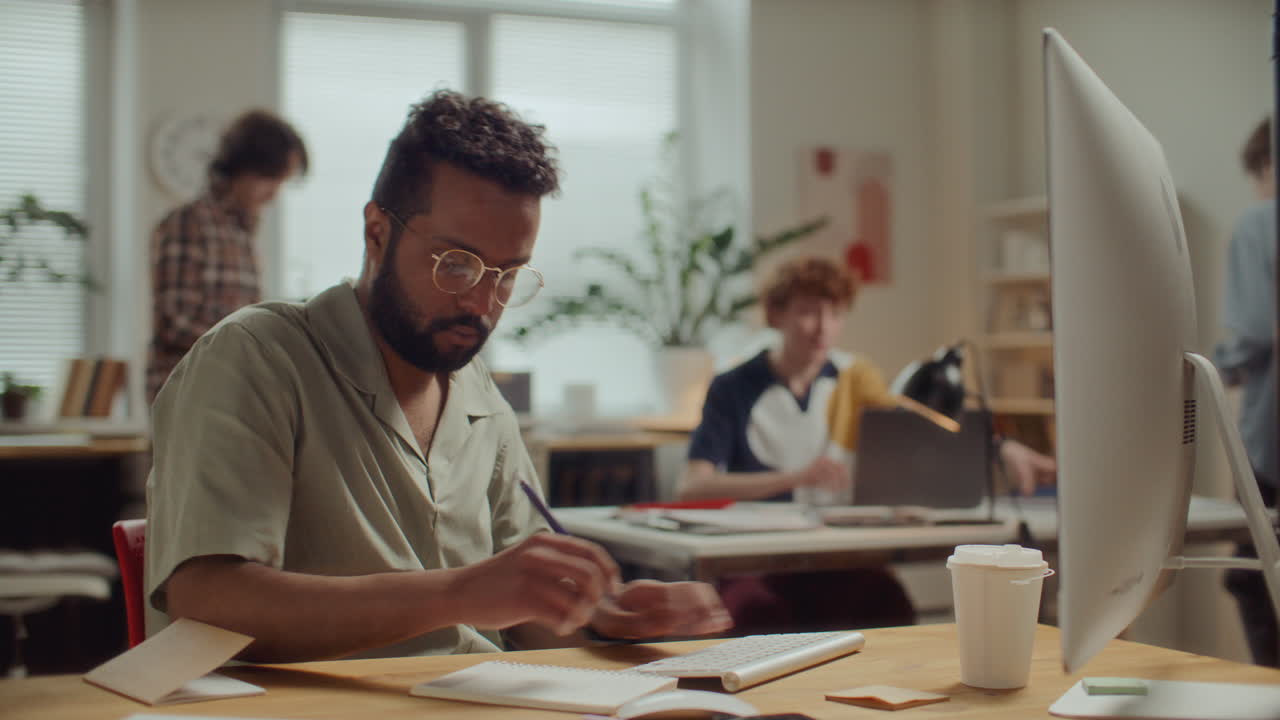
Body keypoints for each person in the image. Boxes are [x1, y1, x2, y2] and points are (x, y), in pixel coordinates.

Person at [145, 90, 730, 663]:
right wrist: (456, 594)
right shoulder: (256, 359)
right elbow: (207, 605)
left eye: (507, 275)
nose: (481, 304)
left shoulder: (481, 401)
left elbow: (530, 616)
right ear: (377, 232)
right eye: (456, 263)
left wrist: (610, 618)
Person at [678, 255, 1057, 634]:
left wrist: (1001, 447)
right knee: (757, 613)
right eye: (808, 313)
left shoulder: (855, 376)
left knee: (888, 605)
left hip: (835, 556)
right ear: (776, 315)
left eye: (835, 314)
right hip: (756, 558)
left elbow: (922, 430)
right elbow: (694, 485)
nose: (823, 328)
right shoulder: (732, 387)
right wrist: (795, 478)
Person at [146, 109, 309, 403]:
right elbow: (176, 322)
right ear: (241, 167)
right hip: (188, 397)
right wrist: (256, 346)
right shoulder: (188, 223)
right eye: (270, 179)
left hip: (229, 391)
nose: (274, 195)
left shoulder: (242, 234)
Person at [1216, 115, 1278, 667]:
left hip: (1272, 447)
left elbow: (1255, 332)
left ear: (1267, 165)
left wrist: (1213, 369)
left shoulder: (1261, 222)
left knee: (1250, 579)